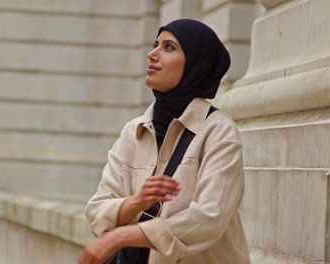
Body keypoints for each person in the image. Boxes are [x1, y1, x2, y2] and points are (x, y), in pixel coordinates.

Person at [79, 19, 250, 264]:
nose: (152, 54)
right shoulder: (133, 131)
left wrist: (118, 238)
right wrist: (136, 202)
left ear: (195, 64)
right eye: (155, 45)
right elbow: (97, 210)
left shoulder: (219, 132)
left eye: (168, 47)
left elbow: (208, 219)